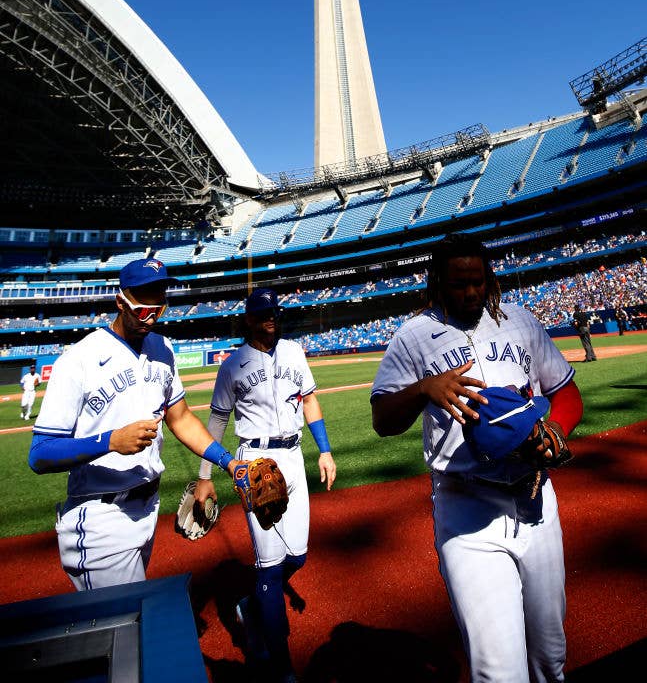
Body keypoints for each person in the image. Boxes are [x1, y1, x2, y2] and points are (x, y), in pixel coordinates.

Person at [371, 233, 583, 683]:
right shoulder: (413, 337)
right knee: (499, 670)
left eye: (478, 281)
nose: (470, 292)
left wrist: (557, 430)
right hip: (466, 510)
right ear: (437, 284)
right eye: (458, 283)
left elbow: (566, 393)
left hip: (536, 500)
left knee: (550, 656)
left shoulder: (522, 322)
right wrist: (422, 389)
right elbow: (383, 419)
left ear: (490, 279)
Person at [28, 257, 238, 591]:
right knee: (126, 624)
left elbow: (180, 418)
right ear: (120, 300)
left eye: (159, 298)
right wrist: (110, 441)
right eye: (143, 299)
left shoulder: (163, 349)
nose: (152, 310)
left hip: (147, 508)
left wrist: (230, 463)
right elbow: (39, 454)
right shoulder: (79, 360)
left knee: (125, 626)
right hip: (100, 517)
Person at [195, 287, 336, 683]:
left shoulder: (294, 352)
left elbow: (309, 401)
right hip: (254, 464)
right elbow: (218, 421)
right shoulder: (232, 365)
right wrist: (206, 477)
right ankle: (282, 667)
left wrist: (324, 451)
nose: (270, 318)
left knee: (299, 557)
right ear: (248, 319)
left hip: (293, 457)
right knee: (270, 568)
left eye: (274, 312)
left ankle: (253, 604)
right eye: (262, 313)